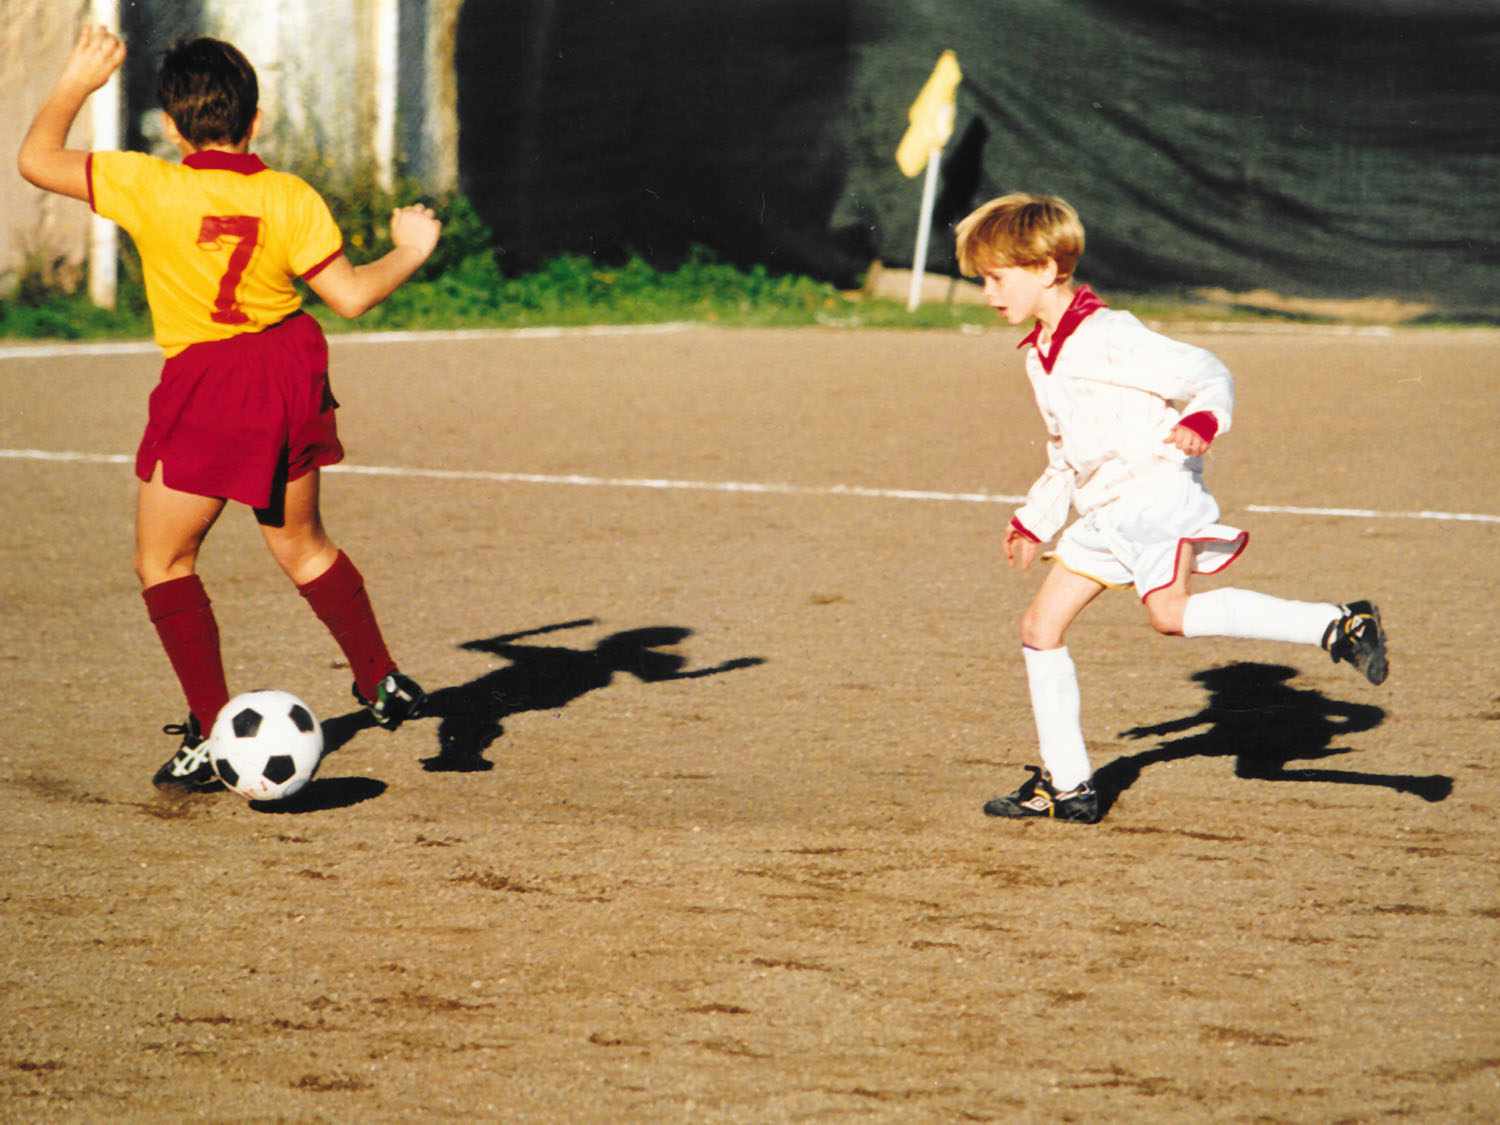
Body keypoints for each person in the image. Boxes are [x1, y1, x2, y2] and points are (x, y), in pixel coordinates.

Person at [18, 27, 442, 791]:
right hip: (288, 366)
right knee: (302, 544)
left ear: (173, 127)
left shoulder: (150, 182)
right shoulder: (289, 195)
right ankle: (378, 677)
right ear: (254, 120)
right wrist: (409, 249)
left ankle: (213, 732)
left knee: (164, 560)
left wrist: (77, 81)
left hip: (212, 380)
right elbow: (347, 295)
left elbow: (35, 160)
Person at [954, 193, 1388, 825]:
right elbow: (1063, 451)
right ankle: (1070, 787)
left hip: (1154, 494)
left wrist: (1205, 417)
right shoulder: (1041, 356)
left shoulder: (1108, 335)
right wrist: (1034, 519)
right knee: (1043, 630)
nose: (989, 292)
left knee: (1168, 615)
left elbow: (1206, 370)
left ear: (1046, 269)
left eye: (998, 277)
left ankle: (1337, 625)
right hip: (1107, 505)